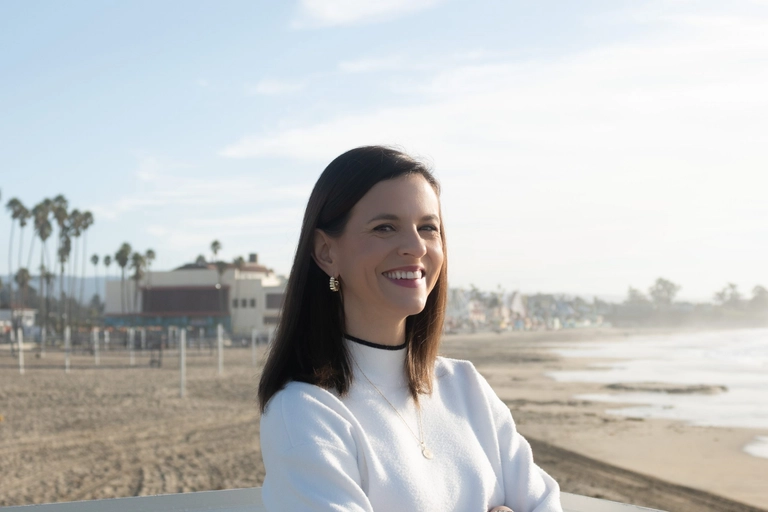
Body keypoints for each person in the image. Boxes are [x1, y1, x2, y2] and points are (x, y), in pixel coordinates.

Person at [258, 146, 562, 511]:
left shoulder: (465, 386)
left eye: (428, 228)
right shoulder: (305, 412)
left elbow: (546, 502)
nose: (416, 247)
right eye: (385, 228)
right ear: (326, 251)